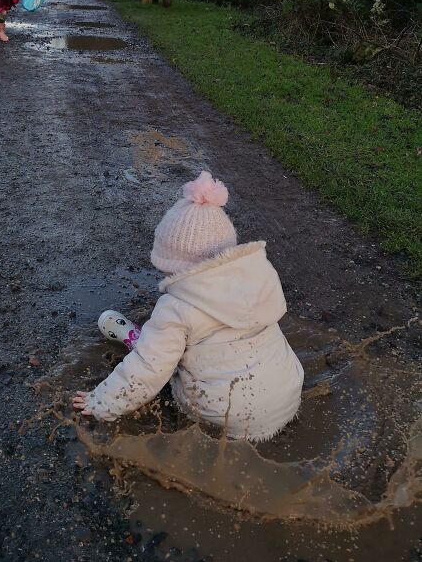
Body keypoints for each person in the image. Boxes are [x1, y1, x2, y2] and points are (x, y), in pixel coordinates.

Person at [73, 172, 304, 442]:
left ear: (175, 264)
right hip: (287, 397)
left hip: (227, 418)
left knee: (164, 365)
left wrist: (101, 402)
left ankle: (138, 340)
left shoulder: (176, 308)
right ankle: (151, 342)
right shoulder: (256, 279)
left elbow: (148, 371)